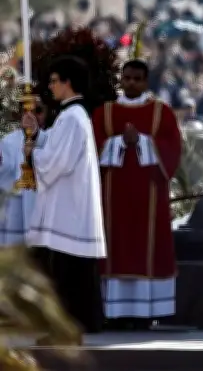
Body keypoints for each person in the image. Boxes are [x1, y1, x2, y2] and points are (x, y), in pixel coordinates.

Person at [92, 60, 182, 330]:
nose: (131, 83)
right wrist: (119, 142)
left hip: (149, 195)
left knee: (146, 245)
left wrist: (142, 141)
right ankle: (114, 313)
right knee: (115, 245)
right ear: (121, 79)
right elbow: (92, 147)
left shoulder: (161, 113)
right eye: (127, 78)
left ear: (146, 81)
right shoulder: (104, 113)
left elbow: (173, 148)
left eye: (137, 79)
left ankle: (145, 313)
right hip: (113, 198)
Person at [23, 55, 106, 334]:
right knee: (71, 270)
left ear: (68, 82)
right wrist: (39, 135)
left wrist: (34, 153)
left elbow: (59, 162)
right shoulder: (72, 116)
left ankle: (69, 326)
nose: (51, 86)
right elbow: (59, 148)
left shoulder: (72, 117)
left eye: (55, 80)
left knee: (69, 271)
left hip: (69, 209)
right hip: (70, 206)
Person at [0, 100, 46, 245]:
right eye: (27, 111)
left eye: (38, 111)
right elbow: (5, 169)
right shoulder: (9, 140)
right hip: (17, 204)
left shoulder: (51, 138)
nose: (32, 116)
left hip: (44, 203)